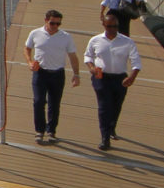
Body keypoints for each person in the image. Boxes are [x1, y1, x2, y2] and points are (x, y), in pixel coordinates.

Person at [84, 13, 141, 151]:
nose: (112, 29)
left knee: (116, 106)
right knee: (104, 106)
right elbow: (88, 56)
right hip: (101, 77)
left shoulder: (127, 42)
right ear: (104, 25)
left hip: (120, 78)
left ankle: (112, 127)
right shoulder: (95, 40)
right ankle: (105, 137)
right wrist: (91, 68)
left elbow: (136, 62)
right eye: (109, 26)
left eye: (115, 26)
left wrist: (132, 77)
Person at [24, 9, 80, 144]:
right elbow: (27, 48)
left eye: (58, 24)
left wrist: (76, 74)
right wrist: (30, 62)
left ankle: (51, 131)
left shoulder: (66, 37)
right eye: (52, 23)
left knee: (54, 104)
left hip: (57, 74)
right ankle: (39, 130)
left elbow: (73, 56)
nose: (55, 26)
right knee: (38, 101)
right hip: (40, 73)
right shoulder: (35, 33)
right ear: (46, 20)